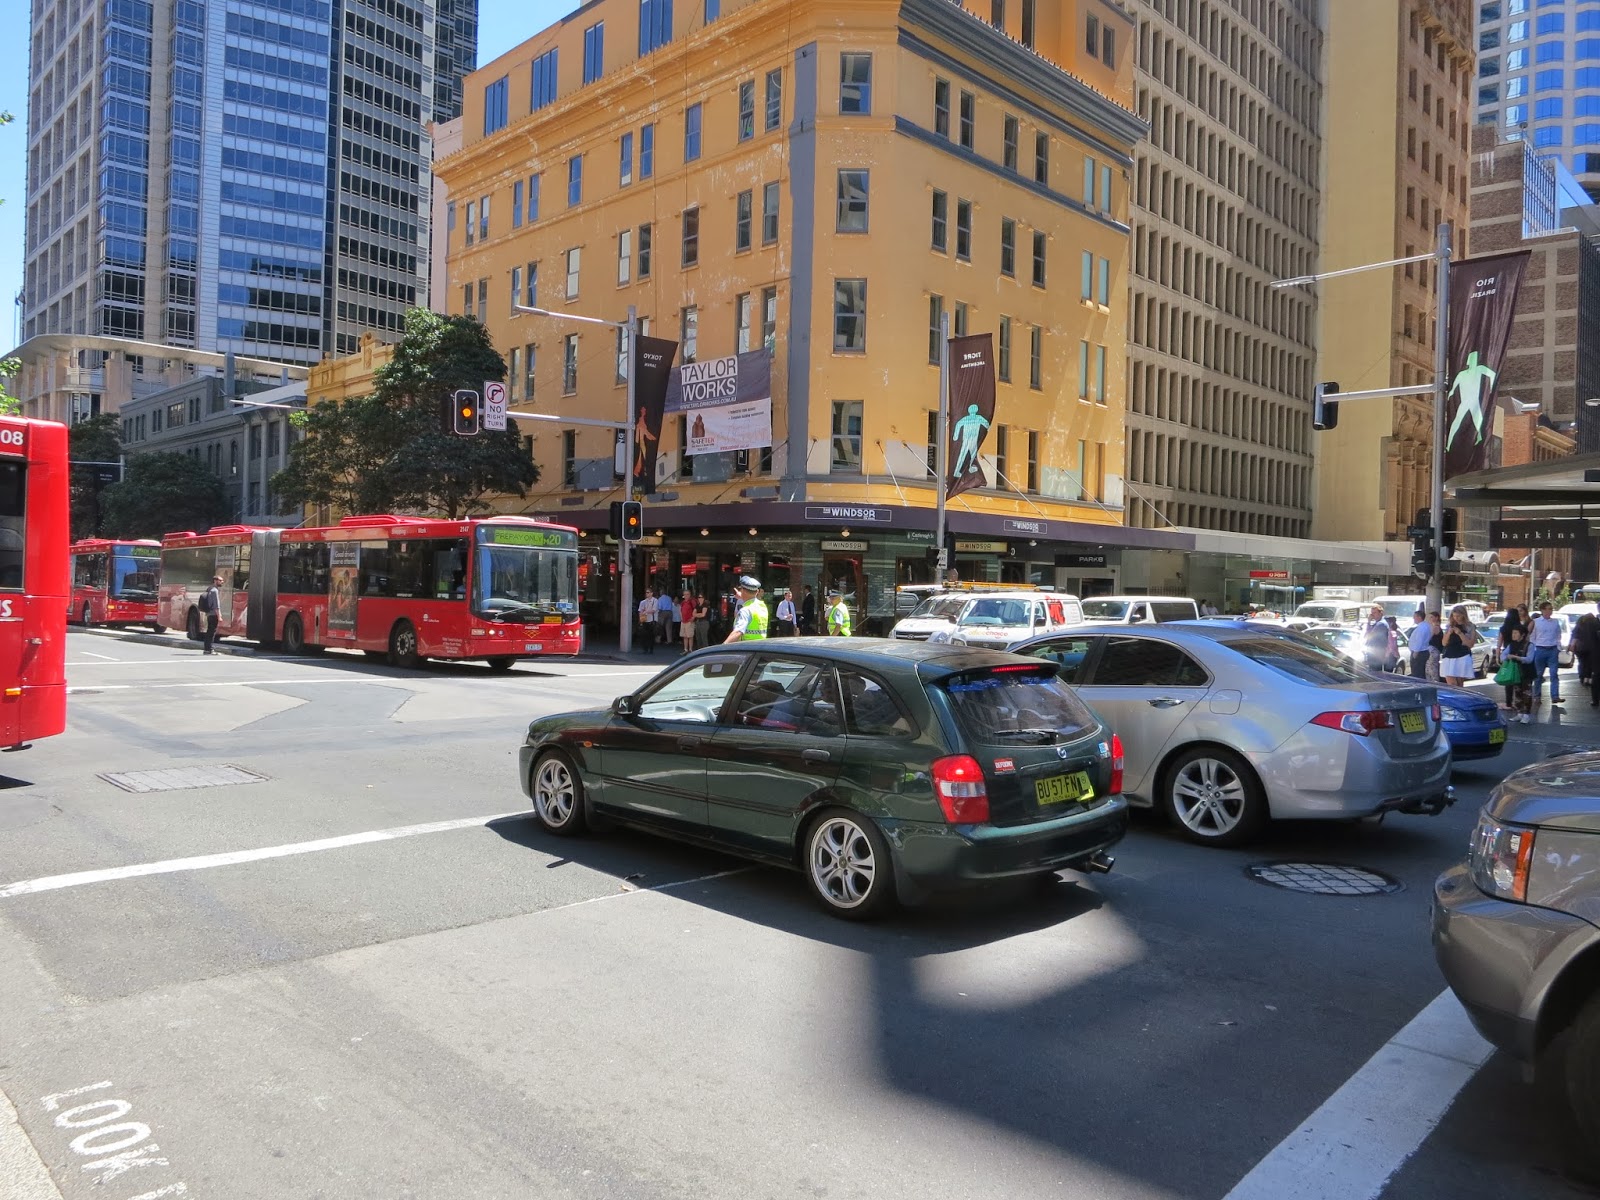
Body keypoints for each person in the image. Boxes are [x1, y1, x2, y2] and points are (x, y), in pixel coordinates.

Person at [1529, 600, 1566, 706]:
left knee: (1554, 673)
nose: (1550, 611)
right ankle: (1537, 696)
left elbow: (1558, 634)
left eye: (1551, 609)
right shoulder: (1536, 622)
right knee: (1538, 675)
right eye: (1548, 609)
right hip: (1540, 649)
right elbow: (1532, 637)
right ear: (1542, 610)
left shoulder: (1555, 622)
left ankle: (1555, 696)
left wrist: (1558, 647)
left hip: (1552, 649)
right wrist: (1534, 648)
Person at [1439, 606, 1477, 686]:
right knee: (1451, 682)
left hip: (1462, 656)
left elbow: (1470, 644)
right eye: (1454, 616)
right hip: (1449, 655)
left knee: (1459, 683)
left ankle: (1459, 698)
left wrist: (1460, 633)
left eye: (1458, 616)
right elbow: (1444, 643)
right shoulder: (1449, 626)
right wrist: (1449, 633)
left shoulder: (1470, 627)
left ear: (1463, 615)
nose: (1456, 618)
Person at [723, 575, 768, 643]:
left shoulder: (746, 610)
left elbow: (738, 632)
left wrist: (723, 646)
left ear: (743, 591)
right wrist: (742, 597)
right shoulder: (762, 606)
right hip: (760, 647)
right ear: (757, 592)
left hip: (747, 648)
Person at [1503, 615, 1533, 715]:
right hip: (1516, 672)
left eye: (1516, 633)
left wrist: (1517, 658)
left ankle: (1526, 714)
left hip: (1526, 672)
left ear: (1522, 634)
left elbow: (1529, 659)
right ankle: (1519, 713)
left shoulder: (1529, 645)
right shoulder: (1511, 645)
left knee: (1526, 694)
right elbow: (1503, 655)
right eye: (1513, 633)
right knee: (1517, 692)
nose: (1513, 635)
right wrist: (1506, 657)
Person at [1572, 603, 1600, 688]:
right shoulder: (1595, 623)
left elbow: (1575, 636)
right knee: (1591, 664)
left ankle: (1583, 677)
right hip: (1592, 648)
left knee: (1582, 663)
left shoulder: (1580, 625)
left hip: (1581, 648)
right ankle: (1589, 679)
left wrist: (1572, 645)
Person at [1361, 604, 1392, 672]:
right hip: (1374, 653)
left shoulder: (1381, 624)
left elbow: (1368, 635)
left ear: (1381, 613)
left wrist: (1368, 622)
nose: (1372, 615)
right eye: (1371, 613)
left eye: (1374, 613)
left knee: (1375, 673)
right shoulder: (1377, 623)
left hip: (1376, 654)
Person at [1406, 608, 1434, 679]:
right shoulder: (1425, 626)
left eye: (1415, 616)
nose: (1413, 618)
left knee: (1417, 673)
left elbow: (1419, 641)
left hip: (1419, 652)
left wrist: (1415, 653)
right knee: (1419, 672)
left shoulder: (1422, 628)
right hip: (1422, 651)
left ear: (1419, 617)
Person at [200, 574, 222, 654]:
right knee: (212, 632)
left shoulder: (209, 589)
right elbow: (216, 605)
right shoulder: (214, 591)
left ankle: (207, 649)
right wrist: (219, 616)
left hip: (209, 614)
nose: (222, 582)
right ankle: (210, 649)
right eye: (220, 580)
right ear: (215, 581)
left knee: (209, 631)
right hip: (213, 614)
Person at [637, 588, 656, 656]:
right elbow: (640, 611)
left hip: (651, 620)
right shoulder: (643, 602)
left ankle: (651, 649)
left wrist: (646, 612)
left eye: (648, 592)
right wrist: (640, 620)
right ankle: (645, 649)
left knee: (651, 636)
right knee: (644, 636)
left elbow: (654, 610)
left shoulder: (655, 601)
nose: (647, 594)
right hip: (644, 620)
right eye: (646, 592)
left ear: (651, 593)